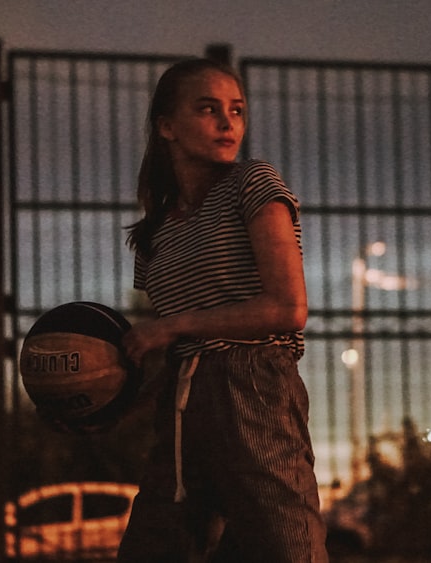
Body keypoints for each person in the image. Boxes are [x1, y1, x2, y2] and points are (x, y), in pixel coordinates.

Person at [117, 58, 328, 563]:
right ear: (166, 126)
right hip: (181, 402)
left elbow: (287, 307)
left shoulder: (253, 183)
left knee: (288, 551)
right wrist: (96, 399)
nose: (227, 121)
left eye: (236, 110)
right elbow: (167, 346)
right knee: (154, 550)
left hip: (252, 385)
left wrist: (173, 325)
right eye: (208, 109)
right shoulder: (155, 232)